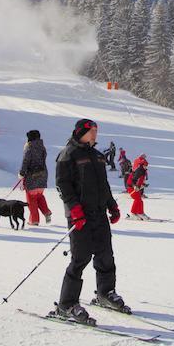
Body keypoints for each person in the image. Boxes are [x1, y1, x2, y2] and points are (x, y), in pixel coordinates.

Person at [54, 118, 125, 324]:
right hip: (80, 216)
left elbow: (104, 185)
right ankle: (67, 304)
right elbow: (62, 185)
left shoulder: (97, 156)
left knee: (105, 255)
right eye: (90, 131)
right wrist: (74, 208)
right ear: (80, 132)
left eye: (96, 131)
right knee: (80, 258)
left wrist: (112, 205)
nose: (94, 134)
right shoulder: (68, 154)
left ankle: (105, 293)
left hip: (98, 214)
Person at [19, 129, 52, 225]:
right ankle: (46, 212)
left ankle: (34, 220)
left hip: (32, 176)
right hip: (43, 175)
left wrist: (21, 173)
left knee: (31, 199)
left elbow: (25, 162)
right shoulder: (42, 147)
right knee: (39, 195)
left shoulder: (29, 148)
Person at [127, 154, 149, 220]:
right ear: (142, 165)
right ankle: (138, 213)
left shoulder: (143, 171)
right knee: (138, 199)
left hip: (134, 186)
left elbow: (141, 180)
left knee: (139, 200)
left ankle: (136, 213)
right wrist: (135, 186)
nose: (146, 167)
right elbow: (133, 180)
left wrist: (142, 185)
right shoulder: (139, 171)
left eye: (147, 165)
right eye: (145, 165)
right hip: (130, 187)